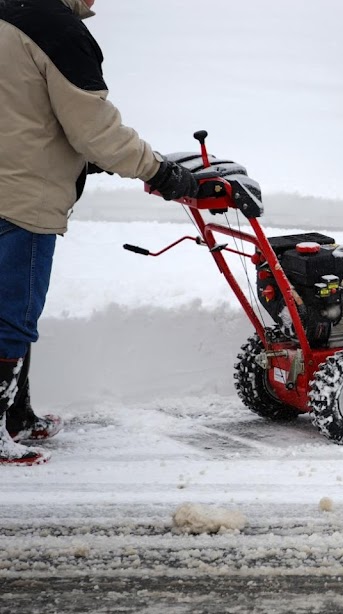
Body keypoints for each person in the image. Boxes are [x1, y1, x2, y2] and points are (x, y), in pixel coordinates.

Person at [0, 0, 198, 465]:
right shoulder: (58, 30)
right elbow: (96, 130)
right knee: (13, 315)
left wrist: (82, 159)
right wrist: (160, 172)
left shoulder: (10, 11)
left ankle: (16, 416)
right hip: (23, 196)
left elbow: (22, 109)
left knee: (9, 309)